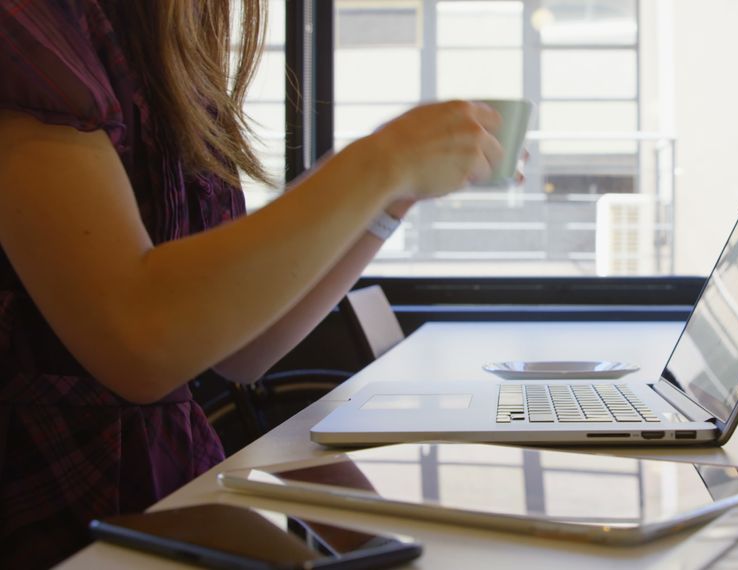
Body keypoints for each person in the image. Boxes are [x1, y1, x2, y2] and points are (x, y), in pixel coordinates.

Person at [0, 1, 505, 567]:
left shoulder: (170, 49)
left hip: (169, 497)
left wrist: (391, 197)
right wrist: (382, 160)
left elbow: (245, 351)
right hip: (56, 507)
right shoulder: (32, 26)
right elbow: (137, 339)